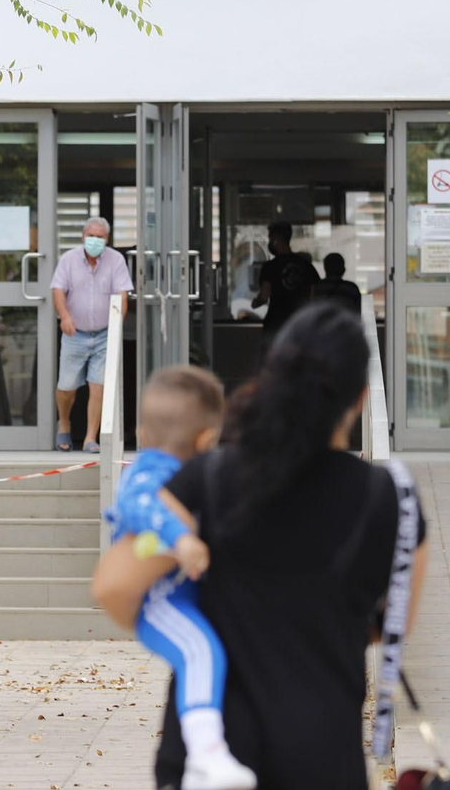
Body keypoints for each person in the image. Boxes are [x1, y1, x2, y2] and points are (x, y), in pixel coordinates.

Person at [92, 304, 429, 790]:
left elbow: (114, 587)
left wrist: (180, 608)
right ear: (358, 397)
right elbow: (392, 624)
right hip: (323, 758)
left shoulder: (205, 480)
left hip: (210, 761)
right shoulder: (392, 499)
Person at [102, 366, 257, 790]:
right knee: (199, 652)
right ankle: (207, 753)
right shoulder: (149, 472)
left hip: (177, 598)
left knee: (202, 654)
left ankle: (199, 763)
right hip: (160, 601)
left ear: (141, 429)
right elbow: (141, 505)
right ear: (207, 440)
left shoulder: (168, 470)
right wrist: (181, 539)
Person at [50, 216, 131, 452]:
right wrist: (64, 316)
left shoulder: (116, 260)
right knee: (67, 387)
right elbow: (57, 290)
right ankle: (63, 423)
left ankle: (90, 438)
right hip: (75, 334)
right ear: (82, 237)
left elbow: (122, 295)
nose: (95, 240)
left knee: (99, 387)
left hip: (104, 334)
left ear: (107, 239)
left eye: (100, 236)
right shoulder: (68, 260)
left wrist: (117, 325)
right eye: (91, 235)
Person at [249, 221, 318, 341]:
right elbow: (313, 297)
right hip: (299, 325)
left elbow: (264, 297)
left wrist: (255, 303)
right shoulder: (306, 265)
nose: (270, 242)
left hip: (276, 326)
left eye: (270, 238)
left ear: (275, 240)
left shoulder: (270, 267)